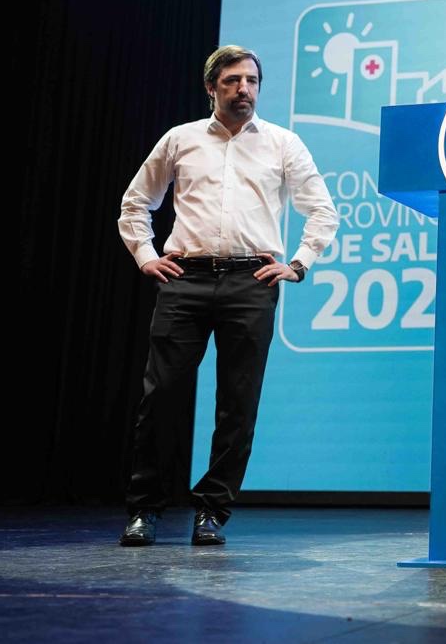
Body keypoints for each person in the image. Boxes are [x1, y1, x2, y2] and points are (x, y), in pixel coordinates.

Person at [116, 45, 337, 547]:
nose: (245, 90)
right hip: (184, 279)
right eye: (234, 80)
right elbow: (136, 203)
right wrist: (146, 256)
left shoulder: (283, 143)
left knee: (238, 404)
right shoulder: (180, 139)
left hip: (252, 282)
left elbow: (321, 210)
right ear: (211, 86)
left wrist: (299, 263)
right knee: (161, 397)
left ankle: (212, 511)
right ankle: (143, 509)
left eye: (252, 81)